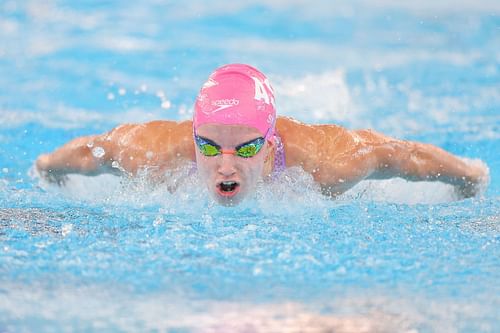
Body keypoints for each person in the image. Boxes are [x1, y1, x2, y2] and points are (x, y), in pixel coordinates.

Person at [35, 64, 488, 206]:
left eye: (246, 147)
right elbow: (91, 152)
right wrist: (47, 168)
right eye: (209, 146)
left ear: (270, 148)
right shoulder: (155, 152)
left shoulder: (328, 161)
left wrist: (470, 176)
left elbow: (401, 156)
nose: (225, 164)